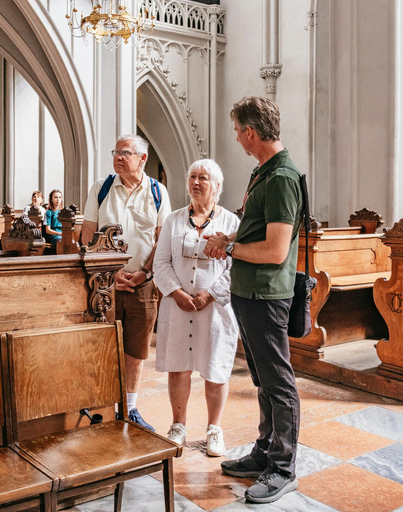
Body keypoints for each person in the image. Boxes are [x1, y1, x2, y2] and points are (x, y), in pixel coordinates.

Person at [203, 97, 303, 504]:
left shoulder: (281, 177)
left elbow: (276, 251)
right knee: (263, 379)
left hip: (267, 294)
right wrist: (231, 240)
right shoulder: (264, 172)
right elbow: (255, 234)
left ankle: (283, 467)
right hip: (250, 292)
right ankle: (265, 451)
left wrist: (229, 249)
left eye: (237, 131)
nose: (237, 138)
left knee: (278, 382)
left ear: (250, 132)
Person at [81, 134, 171, 432]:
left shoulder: (158, 192)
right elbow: (87, 235)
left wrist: (145, 273)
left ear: (142, 158)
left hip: (143, 284)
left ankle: (130, 408)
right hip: (104, 284)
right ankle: (101, 406)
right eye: (116, 152)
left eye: (125, 152)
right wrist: (110, 270)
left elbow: (162, 241)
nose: (118, 157)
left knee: (136, 348)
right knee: (102, 345)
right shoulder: (101, 188)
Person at [153, 159, 240, 456]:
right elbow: (160, 262)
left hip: (214, 308)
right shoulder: (174, 220)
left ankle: (214, 429)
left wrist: (208, 295)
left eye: (203, 177)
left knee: (215, 367)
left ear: (217, 186)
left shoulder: (230, 223)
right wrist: (176, 293)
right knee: (178, 366)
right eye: (192, 176)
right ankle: (178, 425)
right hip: (178, 307)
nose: (195, 182)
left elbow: (235, 267)